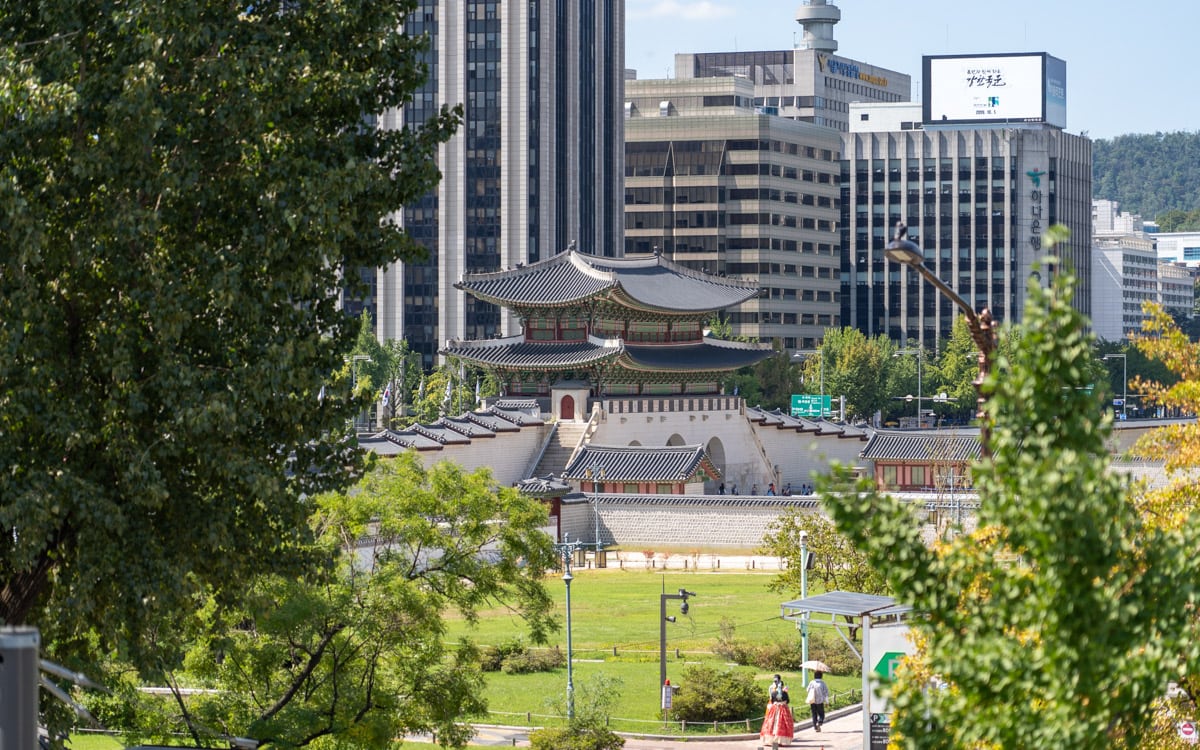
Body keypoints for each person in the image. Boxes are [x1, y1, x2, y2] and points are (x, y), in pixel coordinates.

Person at [760, 674, 794, 748]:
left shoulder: (773, 693)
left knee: (771, 723)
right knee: (782, 724)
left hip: (774, 709)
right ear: (782, 686)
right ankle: (781, 740)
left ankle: (771, 740)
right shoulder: (785, 693)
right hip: (783, 709)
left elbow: (772, 701)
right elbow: (788, 701)